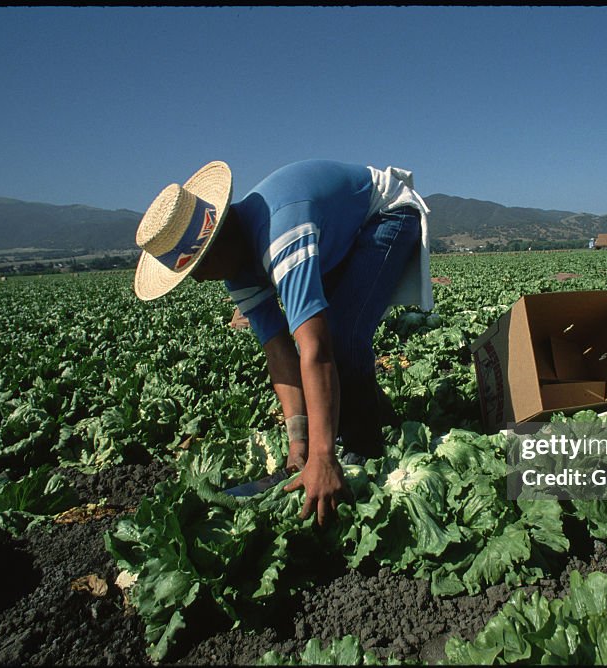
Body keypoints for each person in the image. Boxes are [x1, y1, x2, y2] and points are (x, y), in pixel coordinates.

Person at [133, 160, 431, 525]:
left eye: (196, 269)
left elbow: (316, 348)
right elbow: (278, 349)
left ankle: (363, 449)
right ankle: (373, 424)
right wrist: (299, 442)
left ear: (217, 245)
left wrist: (322, 455)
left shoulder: (280, 236)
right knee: (333, 340)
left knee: (341, 333)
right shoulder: (237, 265)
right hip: (334, 230)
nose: (196, 281)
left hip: (384, 213)